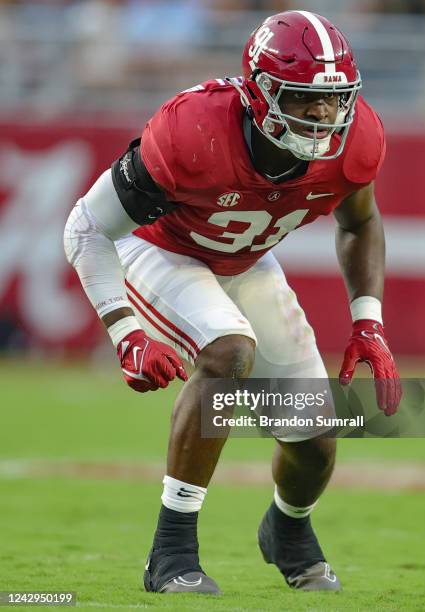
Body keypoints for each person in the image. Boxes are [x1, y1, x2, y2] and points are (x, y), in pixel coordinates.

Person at [64, 9, 402, 595]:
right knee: (228, 351)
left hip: (244, 262)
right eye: (303, 99)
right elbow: (86, 228)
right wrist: (125, 332)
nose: (324, 115)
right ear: (261, 94)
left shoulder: (356, 139)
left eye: (335, 98)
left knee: (317, 439)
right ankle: (170, 552)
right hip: (161, 248)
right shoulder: (192, 130)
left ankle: (289, 529)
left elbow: (360, 222)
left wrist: (368, 322)